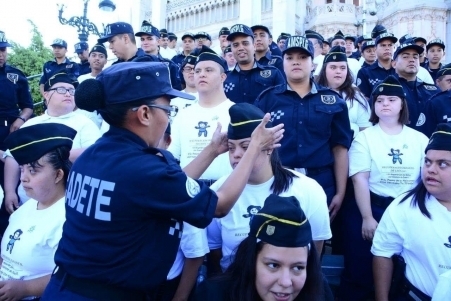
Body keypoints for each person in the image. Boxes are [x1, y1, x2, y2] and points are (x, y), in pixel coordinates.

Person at [40, 62, 284, 300]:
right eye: (167, 110)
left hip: (65, 288)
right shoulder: (143, 168)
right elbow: (219, 205)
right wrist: (254, 147)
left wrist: (211, 150)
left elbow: (166, 189)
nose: (169, 119)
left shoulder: (94, 155)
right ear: (145, 113)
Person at [207, 103, 331, 273]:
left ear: (269, 148)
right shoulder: (218, 190)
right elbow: (215, 251)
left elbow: (315, 249)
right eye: (231, 148)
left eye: (246, 147)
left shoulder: (308, 189)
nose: (236, 154)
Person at [339, 75, 429, 300]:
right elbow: (360, 179)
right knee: (360, 269)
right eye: (379, 100)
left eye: (391, 99)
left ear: (402, 104)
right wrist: (367, 217)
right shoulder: (365, 138)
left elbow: (424, 180)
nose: (385, 104)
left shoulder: (420, 139)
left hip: (409, 209)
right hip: (372, 207)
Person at [255, 35, 353, 222]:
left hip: (321, 181)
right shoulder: (267, 99)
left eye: (302, 57)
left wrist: (340, 192)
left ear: (313, 63)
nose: (296, 62)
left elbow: (340, 149)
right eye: (290, 57)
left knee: (317, 243)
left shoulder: (333, 101)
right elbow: (257, 146)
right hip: (277, 179)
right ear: (282, 62)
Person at [372, 123, 451, 300]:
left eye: (443, 164)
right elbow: (382, 253)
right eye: (428, 162)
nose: (431, 169)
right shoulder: (404, 206)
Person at [196, 194, 326, 301]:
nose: (285, 282)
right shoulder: (212, 296)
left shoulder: (318, 292)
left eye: (298, 268)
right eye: (273, 265)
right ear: (251, 260)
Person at [3, 73, 101, 212]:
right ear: (46, 95)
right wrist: (9, 191)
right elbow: (12, 158)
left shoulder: (84, 123)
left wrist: (45, 156)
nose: (68, 93)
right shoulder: (31, 124)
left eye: (71, 90)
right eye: (61, 89)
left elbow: (93, 152)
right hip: (27, 200)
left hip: (67, 199)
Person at [0, 123, 76, 300]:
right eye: (22, 169)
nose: (23, 178)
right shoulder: (25, 207)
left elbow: (69, 275)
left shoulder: (69, 218)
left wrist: (25, 288)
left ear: (58, 175)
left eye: (33, 170)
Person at [169, 47, 234, 184]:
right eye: (197, 71)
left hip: (226, 187)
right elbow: (172, 155)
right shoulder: (183, 114)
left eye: (209, 70)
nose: (201, 74)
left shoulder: (234, 111)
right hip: (188, 186)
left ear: (223, 77)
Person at [316, 46, 371, 137]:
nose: (338, 71)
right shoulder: (313, 92)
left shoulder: (356, 95)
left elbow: (365, 129)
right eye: (333, 68)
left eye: (342, 68)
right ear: (324, 69)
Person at [224, 24, 285, 104]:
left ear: (254, 46)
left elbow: (284, 104)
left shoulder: (273, 73)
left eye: (245, 43)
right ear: (231, 49)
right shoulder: (224, 79)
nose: (241, 48)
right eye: (235, 45)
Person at [392, 40, 440, 135]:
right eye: (405, 57)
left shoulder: (433, 91)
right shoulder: (386, 90)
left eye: (415, 57)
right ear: (394, 64)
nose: (412, 60)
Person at [134, 21, 181, 90]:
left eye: (149, 39)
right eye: (142, 39)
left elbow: (176, 90)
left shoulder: (169, 65)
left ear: (158, 42)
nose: (145, 42)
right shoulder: (134, 64)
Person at [76, 43, 108, 128]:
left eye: (101, 56)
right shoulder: (80, 79)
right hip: (81, 121)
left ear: (105, 61)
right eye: (94, 55)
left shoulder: (109, 80)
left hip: (102, 121)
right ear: (89, 58)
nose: (97, 58)